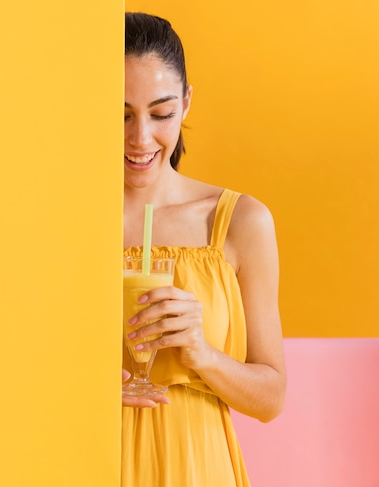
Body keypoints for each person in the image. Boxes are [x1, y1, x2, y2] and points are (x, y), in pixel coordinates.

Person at [121, 12, 286, 486]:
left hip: (196, 467)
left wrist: (202, 353)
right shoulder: (61, 225)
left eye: (161, 113)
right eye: (121, 113)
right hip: (85, 457)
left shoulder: (239, 221)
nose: (140, 138)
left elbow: (271, 398)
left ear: (187, 103)